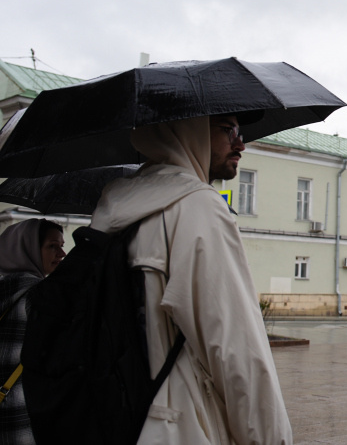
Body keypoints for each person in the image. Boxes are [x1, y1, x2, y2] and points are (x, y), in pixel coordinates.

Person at [90, 114, 292, 444]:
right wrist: (271, 438)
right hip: (182, 422)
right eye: (229, 130)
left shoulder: (115, 205)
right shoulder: (197, 206)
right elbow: (236, 349)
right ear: (189, 129)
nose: (240, 145)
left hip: (120, 415)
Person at [0, 218, 65, 445]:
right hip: (22, 408)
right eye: (52, 246)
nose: (62, 254)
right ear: (28, 248)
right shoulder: (41, 294)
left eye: (61, 246)